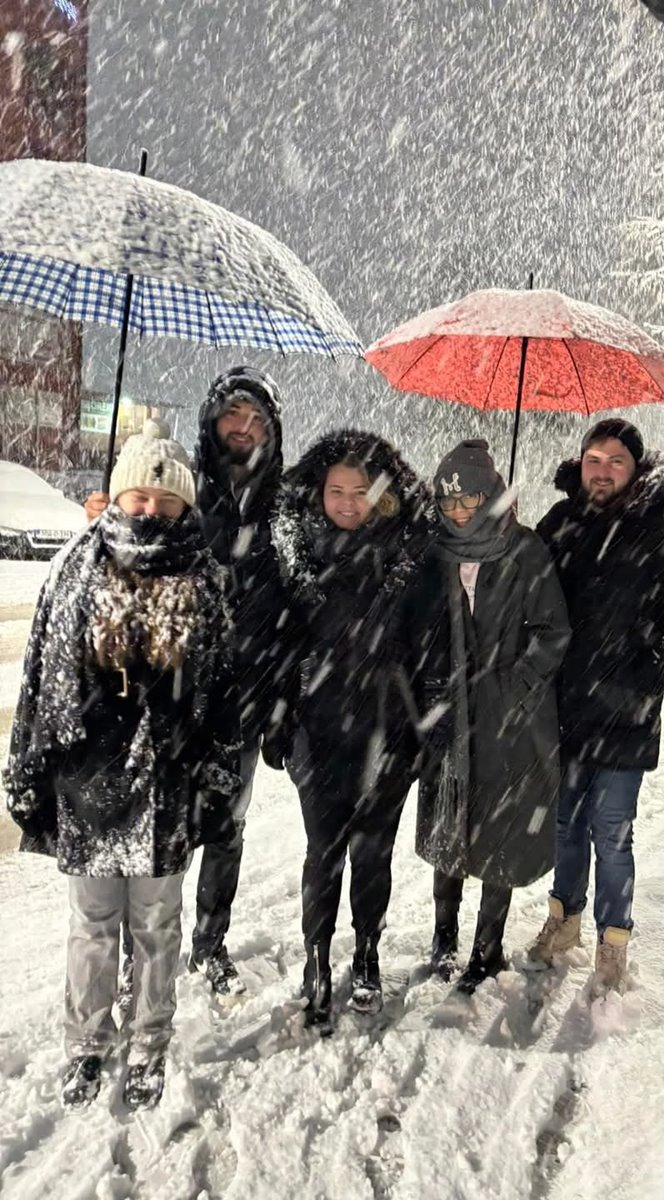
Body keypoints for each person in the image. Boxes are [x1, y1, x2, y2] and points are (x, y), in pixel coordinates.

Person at [5, 421, 240, 1110]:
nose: (150, 510)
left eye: (166, 501)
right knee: (92, 927)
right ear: (118, 496)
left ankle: (148, 1043)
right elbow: (39, 681)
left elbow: (223, 695)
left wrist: (217, 778)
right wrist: (30, 770)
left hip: (168, 788)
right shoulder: (74, 569)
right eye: (139, 496)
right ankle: (88, 1043)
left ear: (185, 505)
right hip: (90, 785)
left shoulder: (207, 581)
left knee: (157, 928)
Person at [85, 367, 286, 998]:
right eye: (233, 415)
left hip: (244, 698)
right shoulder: (181, 488)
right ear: (212, 421)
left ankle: (210, 944)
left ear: (271, 430)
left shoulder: (285, 503)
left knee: (226, 828)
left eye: (256, 419)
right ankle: (137, 958)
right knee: (160, 829)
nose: (243, 428)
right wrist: (106, 520)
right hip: (173, 696)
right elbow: (134, 547)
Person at [526, 418, 664, 995]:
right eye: (594, 460)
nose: (602, 471)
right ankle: (563, 920)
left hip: (627, 715)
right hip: (564, 709)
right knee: (564, 824)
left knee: (611, 831)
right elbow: (527, 600)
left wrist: (644, 680)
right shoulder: (560, 523)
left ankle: (613, 942)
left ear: (635, 468)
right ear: (580, 464)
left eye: (616, 461)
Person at [265, 428, 433, 1024]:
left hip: (388, 726)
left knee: (372, 853)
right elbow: (279, 644)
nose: (346, 502)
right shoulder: (295, 555)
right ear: (318, 492)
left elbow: (429, 646)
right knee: (323, 850)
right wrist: (277, 717)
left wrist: (426, 725)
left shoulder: (410, 557)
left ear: (380, 494)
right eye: (336, 490)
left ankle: (366, 954)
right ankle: (316, 960)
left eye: (359, 491)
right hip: (318, 729)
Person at [412, 440, 570, 992]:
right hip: (451, 715)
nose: (458, 512)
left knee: (499, 829)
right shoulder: (434, 554)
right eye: (448, 501)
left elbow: (554, 632)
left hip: (509, 720)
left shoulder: (525, 551)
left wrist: (514, 688)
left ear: (490, 495)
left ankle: (487, 948)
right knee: (450, 823)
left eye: (469, 499)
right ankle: (443, 937)